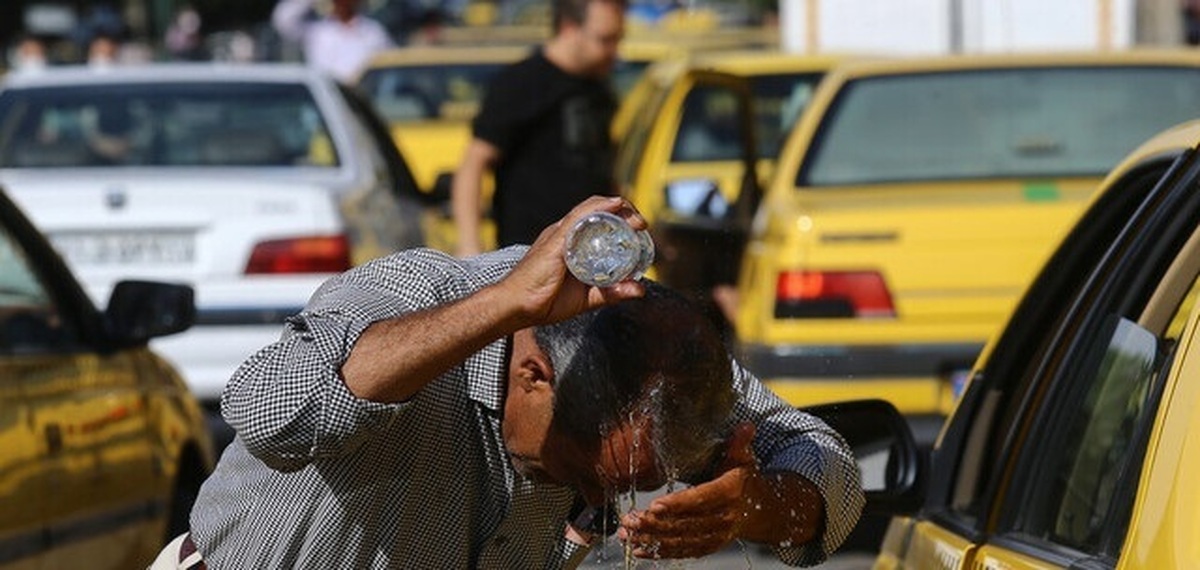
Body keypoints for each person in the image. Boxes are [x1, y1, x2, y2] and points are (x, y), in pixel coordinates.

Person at [148, 195, 864, 569]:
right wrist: (503, 305)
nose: (601, 509)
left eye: (635, 486)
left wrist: (758, 506)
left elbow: (831, 469)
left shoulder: (651, 350)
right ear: (531, 376)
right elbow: (270, 414)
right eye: (585, 475)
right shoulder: (417, 294)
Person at [450, 0, 625, 257]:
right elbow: (474, 163)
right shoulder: (522, 83)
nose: (614, 51)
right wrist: (469, 243)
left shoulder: (598, 89)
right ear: (569, 28)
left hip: (591, 255)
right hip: (527, 255)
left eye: (617, 39)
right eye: (605, 39)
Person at [272, 0, 394, 84]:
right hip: (328, 99)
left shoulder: (373, 31)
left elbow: (390, 63)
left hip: (362, 98)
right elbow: (283, 20)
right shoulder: (318, 32)